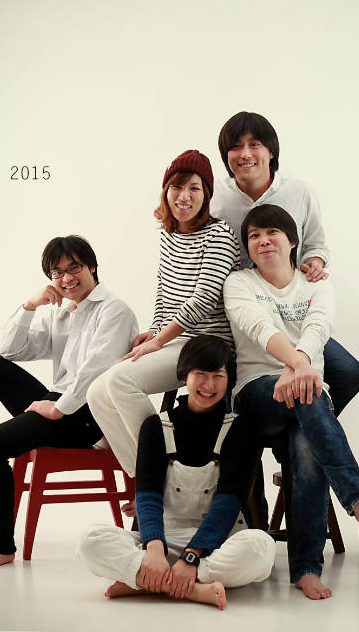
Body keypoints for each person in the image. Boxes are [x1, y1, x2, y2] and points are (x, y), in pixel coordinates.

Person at [224, 204, 359, 600]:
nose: (263, 241)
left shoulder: (316, 285)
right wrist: (299, 365)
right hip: (258, 393)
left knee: (307, 444)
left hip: (307, 390)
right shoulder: (239, 282)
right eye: (254, 236)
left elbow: (319, 327)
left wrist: (301, 365)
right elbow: (257, 327)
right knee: (310, 392)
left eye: (271, 232)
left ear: (292, 242)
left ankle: (306, 568)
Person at [0, 235, 138, 571]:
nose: (66, 278)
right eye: (57, 273)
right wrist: (30, 306)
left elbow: (96, 371)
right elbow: (11, 350)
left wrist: (58, 408)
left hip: (87, 415)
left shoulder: (114, 310)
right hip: (57, 402)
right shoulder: (63, 312)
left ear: (92, 267)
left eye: (74, 268)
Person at [154, 112, 359, 416]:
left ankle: (298, 433)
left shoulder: (300, 191)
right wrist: (168, 209)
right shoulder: (216, 195)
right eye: (235, 147)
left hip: (289, 310)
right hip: (236, 310)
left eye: (254, 144)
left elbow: (316, 244)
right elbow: (185, 214)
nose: (245, 154)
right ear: (226, 156)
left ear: (271, 151)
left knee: (348, 371)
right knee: (231, 376)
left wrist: (314, 262)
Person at [78, 335, 275, 610]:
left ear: (229, 380)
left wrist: (191, 558)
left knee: (262, 547)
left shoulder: (241, 429)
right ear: (184, 376)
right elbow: (147, 496)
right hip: (165, 538)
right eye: (200, 374)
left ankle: (146, 581)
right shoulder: (155, 427)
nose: (209, 385)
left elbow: (229, 503)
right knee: (89, 541)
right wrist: (154, 549)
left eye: (218, 376)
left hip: (219, 543)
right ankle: (193, 588)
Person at [89, 149, 241, 476]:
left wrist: (159, 341)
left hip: (208, 344)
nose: (184, 196)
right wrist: (156, 331)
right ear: (165, 191)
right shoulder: (170, 235)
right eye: (177, 187)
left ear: (207, 195)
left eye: (194, 188)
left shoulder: (219, 235)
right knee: (96, 393)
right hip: (175, 340)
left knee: (120, 381)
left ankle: (165, 468)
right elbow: (164, 291)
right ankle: (149, 482)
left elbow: (203, 300)